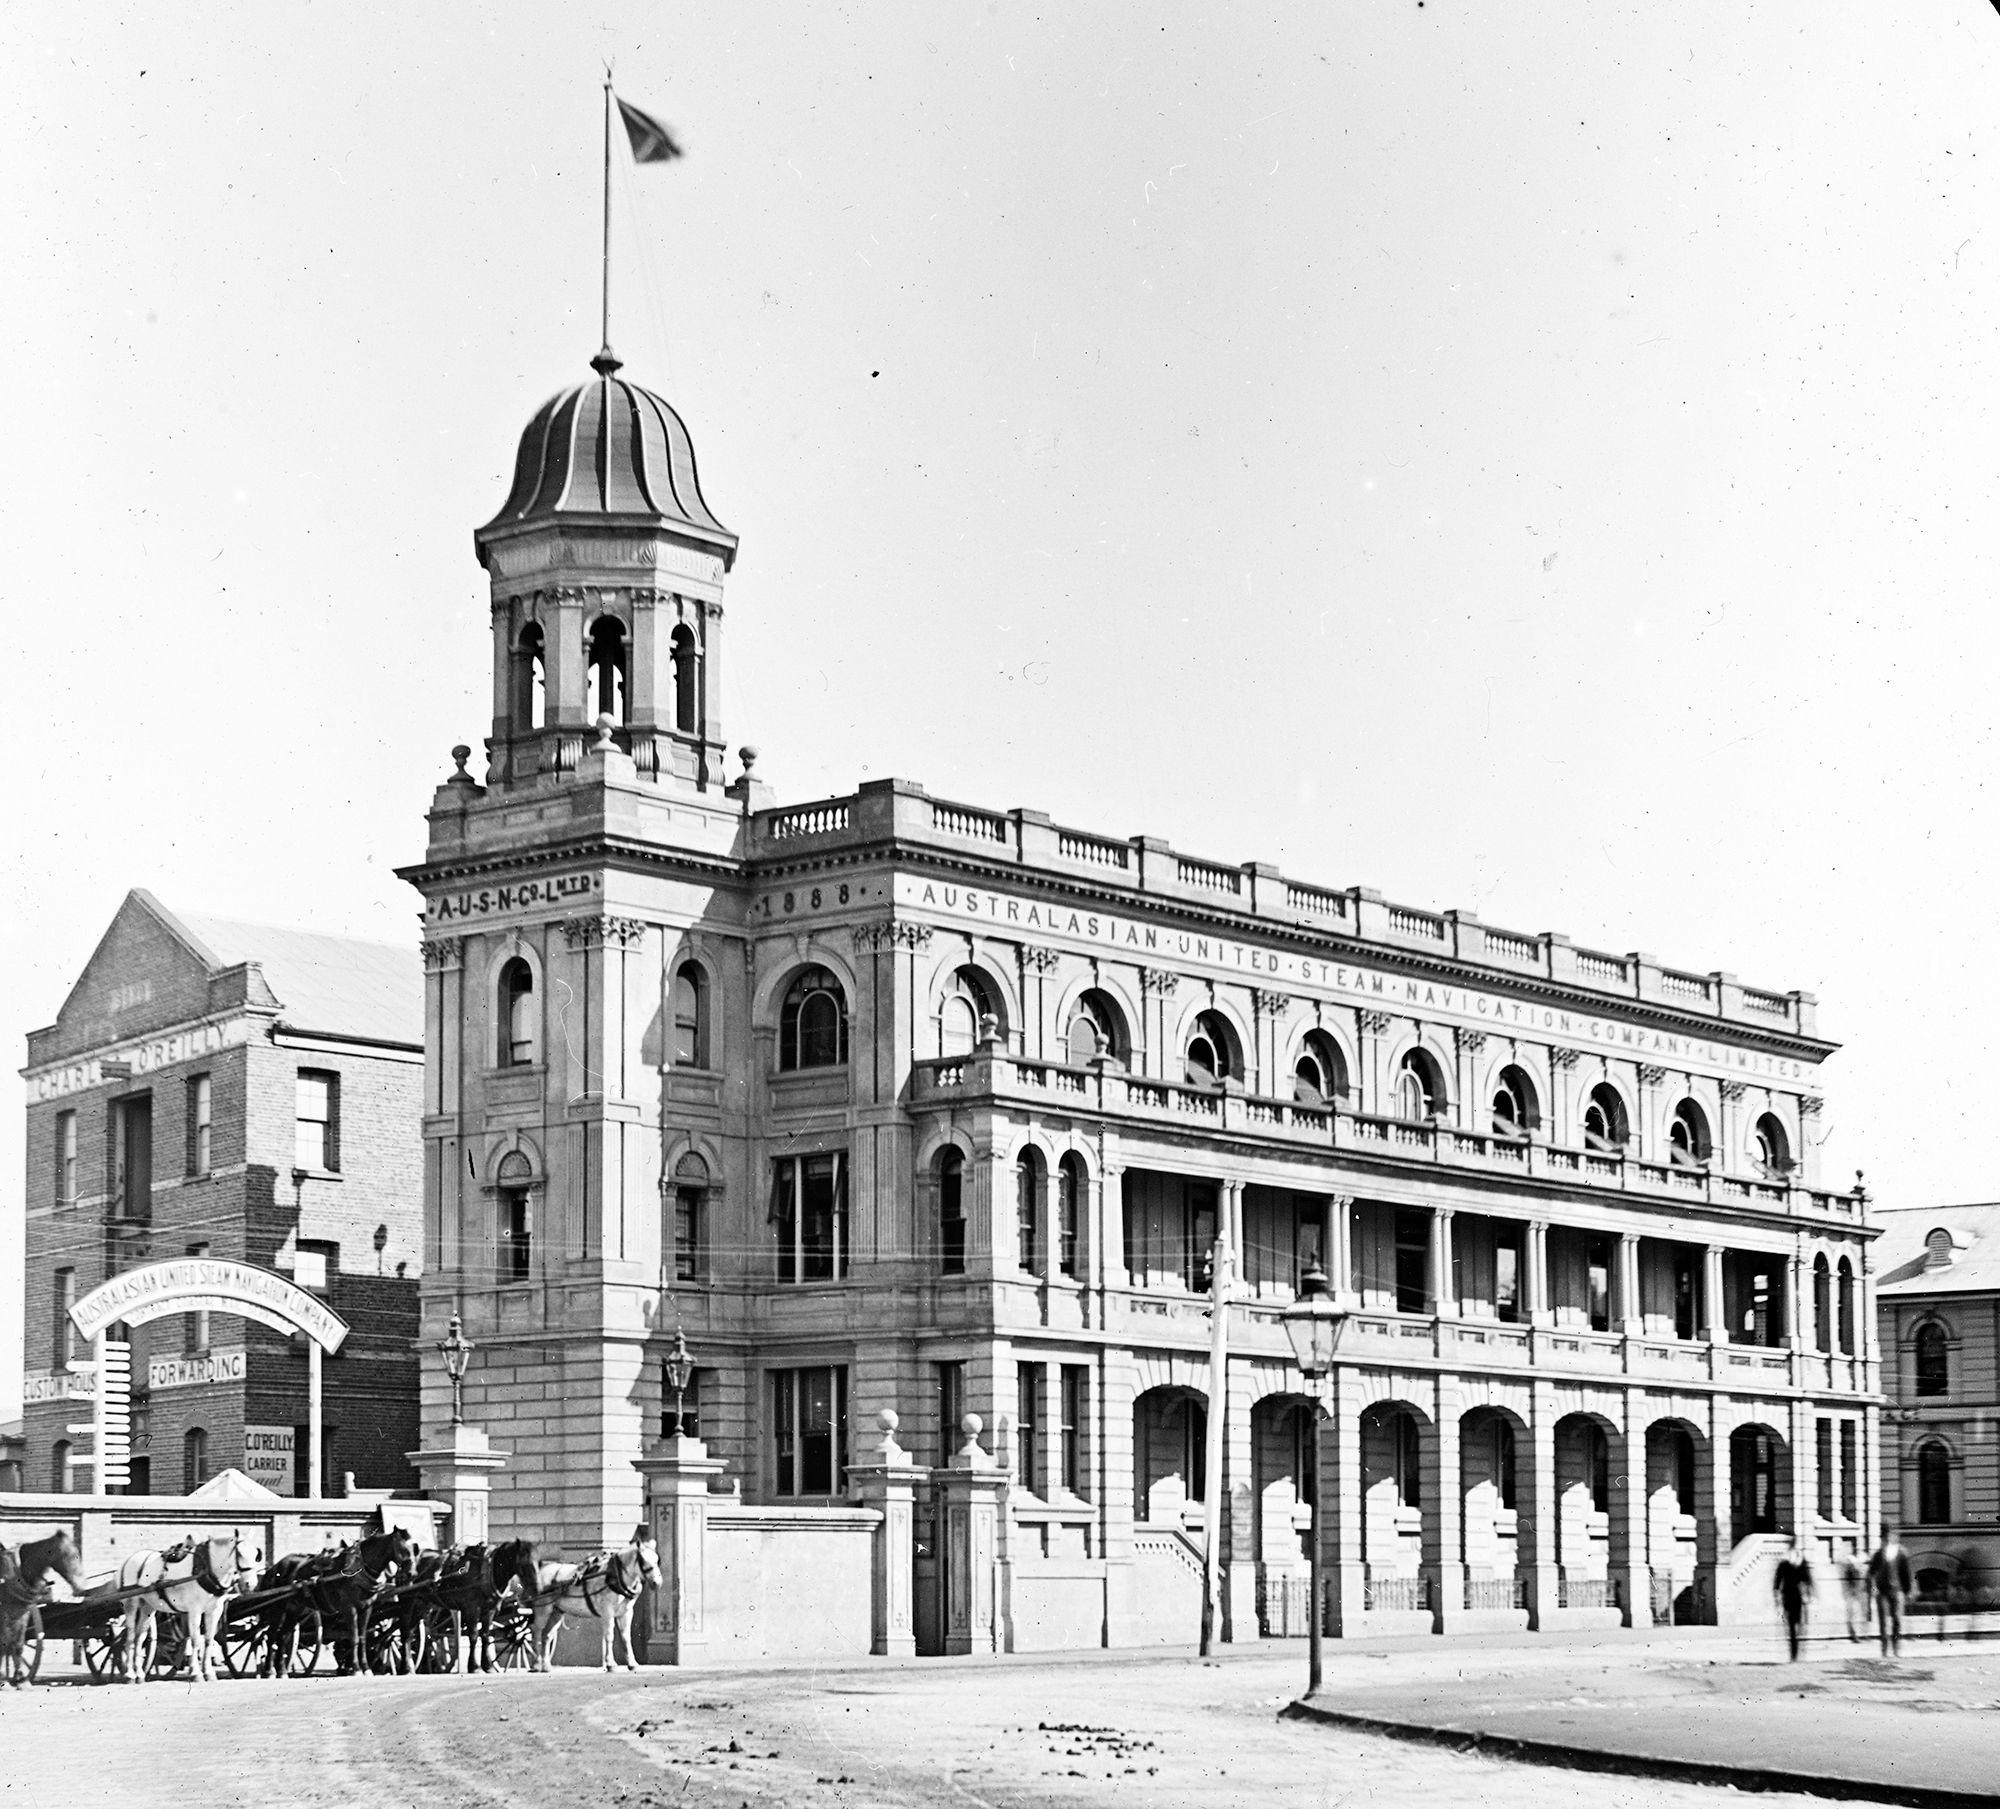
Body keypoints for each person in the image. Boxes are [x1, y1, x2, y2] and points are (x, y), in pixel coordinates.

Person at [1868, 1523, 1913, 1658]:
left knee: (1897, 1620)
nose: (1888, 1538)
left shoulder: (1902, 1553)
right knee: (1883, 1621)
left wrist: (1908, 1590)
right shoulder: (1878, 1554)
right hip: (1882, 1592)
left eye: (1891, 1535)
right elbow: (1871, 1574)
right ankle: (1884, 1650)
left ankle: (1896, 1648)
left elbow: (1907, 1573)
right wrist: (1874, 1588)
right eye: (1886, 1536)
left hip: (1897, 1591)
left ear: (1894, 1536)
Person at [1772, 1537, 1815, 1661]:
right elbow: (1808, 1580)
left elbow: (1777, 1583)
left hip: (1791, 1595)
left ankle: (1794, 1652)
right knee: (1796, 1624)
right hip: (1795, 1596)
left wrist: (1777, 1598)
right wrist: (1809, 1593)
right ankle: (1795, 1652)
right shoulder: (1798, 1561)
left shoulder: (1787, 1562)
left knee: (1793, 1625)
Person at [1839, 1551, 1869, 1642]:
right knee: (1854, 1615)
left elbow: (1870, 1583)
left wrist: (1874, 1591)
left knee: (1861, 1615)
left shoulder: (1863, 1570)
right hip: (1853, 1594)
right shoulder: (1851, 1569)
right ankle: (1855, 1635)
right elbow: (1847, 1583)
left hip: (1861, 1594)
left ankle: (1861, 1634)